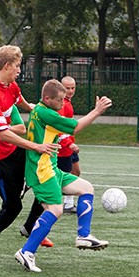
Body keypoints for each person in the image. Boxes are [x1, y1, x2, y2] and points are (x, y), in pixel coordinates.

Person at [0, 45, 59, 265]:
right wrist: (35, 146)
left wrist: (37, 111)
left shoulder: (10, 85)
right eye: (18, 66)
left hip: (12, 150)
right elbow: (3, 135)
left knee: (42, 178)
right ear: (7, 66)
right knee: (12, 206)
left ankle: (31, 227)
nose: (20, 70)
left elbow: (22, 102)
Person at [14, 79, 113, 273]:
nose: (62, 102)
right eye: (59, 99)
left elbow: (62, 132)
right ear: (47, 98)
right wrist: (97, 111)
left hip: (51, 168)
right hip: (41, 171)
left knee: (86, 188)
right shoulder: (46, 113)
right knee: (56, 209)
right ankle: (26, 252)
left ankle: (83, 235)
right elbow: (75, 127)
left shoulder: (41, 109)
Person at [57, 76, 80, 213]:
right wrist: (68, 143)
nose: (71, 91)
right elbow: (58, 128)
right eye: (67, 88)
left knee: (75, 172)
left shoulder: (68, 103)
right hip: (63, 148)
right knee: (63, 176)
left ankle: (68, 203)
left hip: (69, 146)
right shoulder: (61, 104)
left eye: (73, 88)